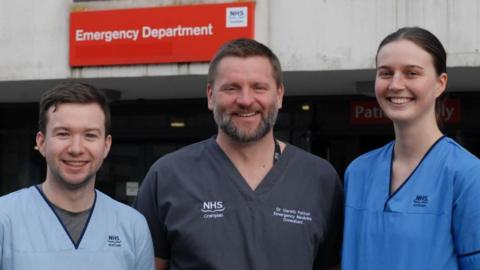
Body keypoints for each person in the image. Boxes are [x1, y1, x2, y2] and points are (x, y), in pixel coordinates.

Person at [133, 38, 343, 270]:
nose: (245, 100)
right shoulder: (168, 176)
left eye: (259, 87)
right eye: (231, 88)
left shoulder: (320, 178)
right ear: (211, 96)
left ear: (279, 95)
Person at [342, 27, 480, 269]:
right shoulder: (358, 172)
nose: (395, 84)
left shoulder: (467, 174)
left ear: (440, 84)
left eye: (411, 73)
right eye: (385, 73)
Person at [0, 82, 155, 270]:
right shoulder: (5, 218)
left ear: (106, 145)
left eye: (90, 135)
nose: (76, 149)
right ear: (41, 143)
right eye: (63, 133)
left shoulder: (133, 226)